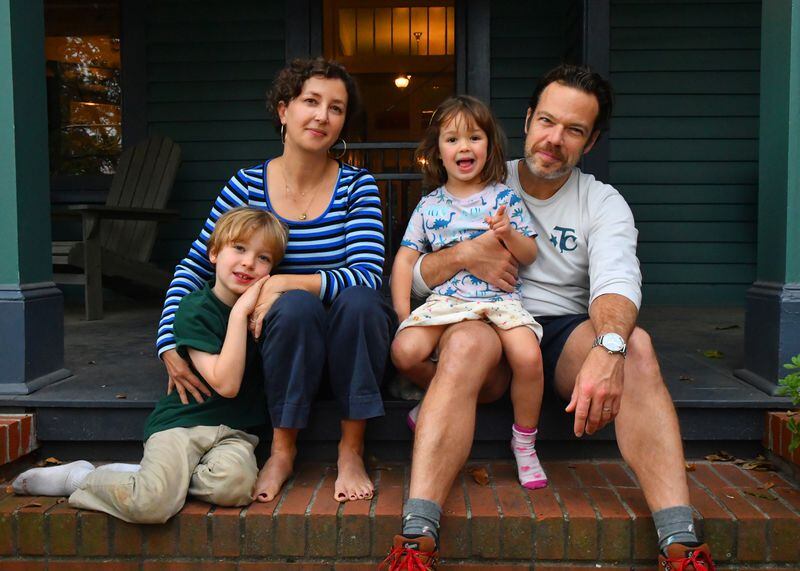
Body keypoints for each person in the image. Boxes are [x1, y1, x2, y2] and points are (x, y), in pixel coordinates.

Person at [382, 65, 716, 571]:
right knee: (469, 344)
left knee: (638, 347)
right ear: (528, 119)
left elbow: (617, 285)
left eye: (574, 130)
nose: (555, 139)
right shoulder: (480, 173)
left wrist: (610, 349)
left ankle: (681, 543)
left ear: (591, 139)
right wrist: (468, 254)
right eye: (547, 121)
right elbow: (418, 271)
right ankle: (416, 536)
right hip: (482, 321)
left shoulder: (601, 202)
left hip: (560, 330)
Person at [157, 57, 396, 504]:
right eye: (311, 101)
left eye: (336, 108)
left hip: (353, 351)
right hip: (281, 350)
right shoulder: (245, 185)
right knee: (296, 308)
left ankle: (351, 449)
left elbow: (366, 273)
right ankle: (282, 450)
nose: (323, 116)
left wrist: (278, 283)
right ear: (283, 110)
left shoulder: (357, 186)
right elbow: (195, 265)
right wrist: (169, 341)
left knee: (361, 300)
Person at [12, 207, 287, 523]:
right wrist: (239, 314)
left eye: (263, 258)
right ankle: (80, 478)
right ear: (213, 253)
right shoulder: (195, 309)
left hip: (235, 432)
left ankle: (155, 479)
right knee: (151, 505)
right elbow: (226, 384)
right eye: (239, 248)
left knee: (235, 488)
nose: (249, 262)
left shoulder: (268, 312)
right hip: (181, 425)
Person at [389, 95, 547, 493]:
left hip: (499, 301)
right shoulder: (429, 206)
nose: (464, 147)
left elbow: (529, 254)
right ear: (437, 152)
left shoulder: (504, 198)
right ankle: (436, 396)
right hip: (448, 302)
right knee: (404, 351)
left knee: (529, 357)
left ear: (489, 146)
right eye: (452, 139)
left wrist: (508, 233)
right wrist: (402, 314)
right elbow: (404, 262)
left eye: (474, 137)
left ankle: (525, 443)